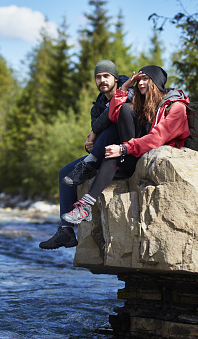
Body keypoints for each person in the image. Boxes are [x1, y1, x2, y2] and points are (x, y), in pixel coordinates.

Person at [60, 65, 191, 225]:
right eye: (139, 80)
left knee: (115, 152)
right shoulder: (144, 103)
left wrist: (123, 148)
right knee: (125, 110)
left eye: (146, 79)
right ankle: (85, 206)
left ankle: (90, 168)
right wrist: (124, 87)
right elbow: (114, 115)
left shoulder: (176, 107)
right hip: (139, 153)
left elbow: (157, 139)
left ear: (156, 82)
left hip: (160, 157)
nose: (141, 83)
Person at [39, 60, 134, 250]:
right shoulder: (97, 106)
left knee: (112, 124)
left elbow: (104, 124)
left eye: (106, 76)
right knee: (65, 173)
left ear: (115, 78)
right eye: (98, 77)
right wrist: (90, 145)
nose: (102, 80)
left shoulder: (129, 91)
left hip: (128, 150)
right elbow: (95, 131)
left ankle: (90, 164)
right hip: (104, 152)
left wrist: (97, 132)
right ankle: (66, 230)